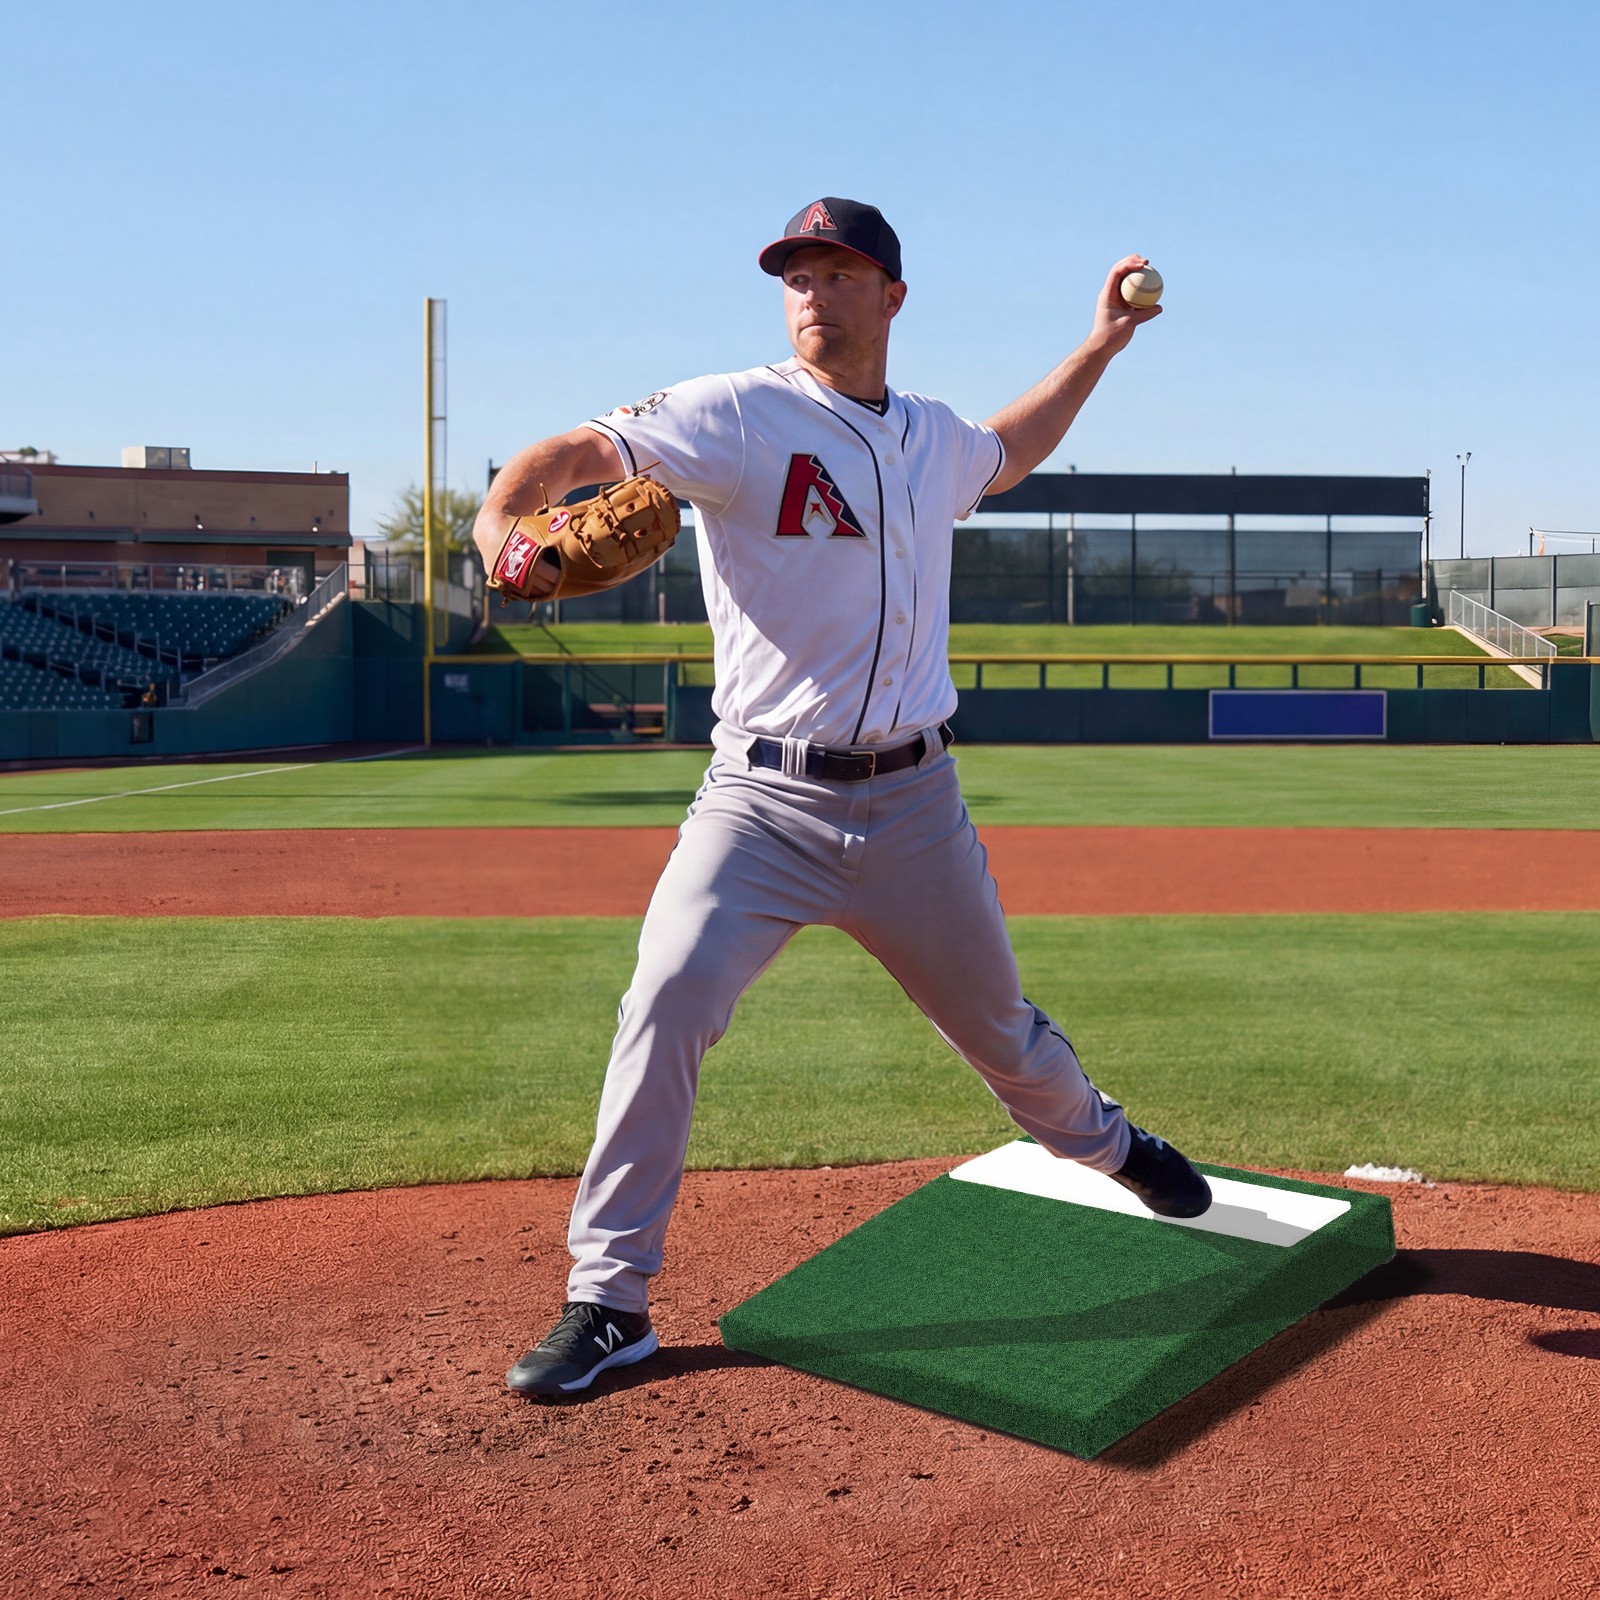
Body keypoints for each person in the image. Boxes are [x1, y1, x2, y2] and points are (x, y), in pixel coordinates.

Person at [475, 197, 1211, 1400]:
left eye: (837, 269)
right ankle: (608, 1300)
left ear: (891, 297)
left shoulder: (928, 437)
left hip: (916, 803)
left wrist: (1100, 346)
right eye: (796, 272)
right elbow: (572, 456)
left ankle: (1108, 1141)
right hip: (759, 804)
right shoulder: (734, 412)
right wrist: (502, 524)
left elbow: (1011, 447)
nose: (811, 290)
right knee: (663, 999)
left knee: (1004, 1039)